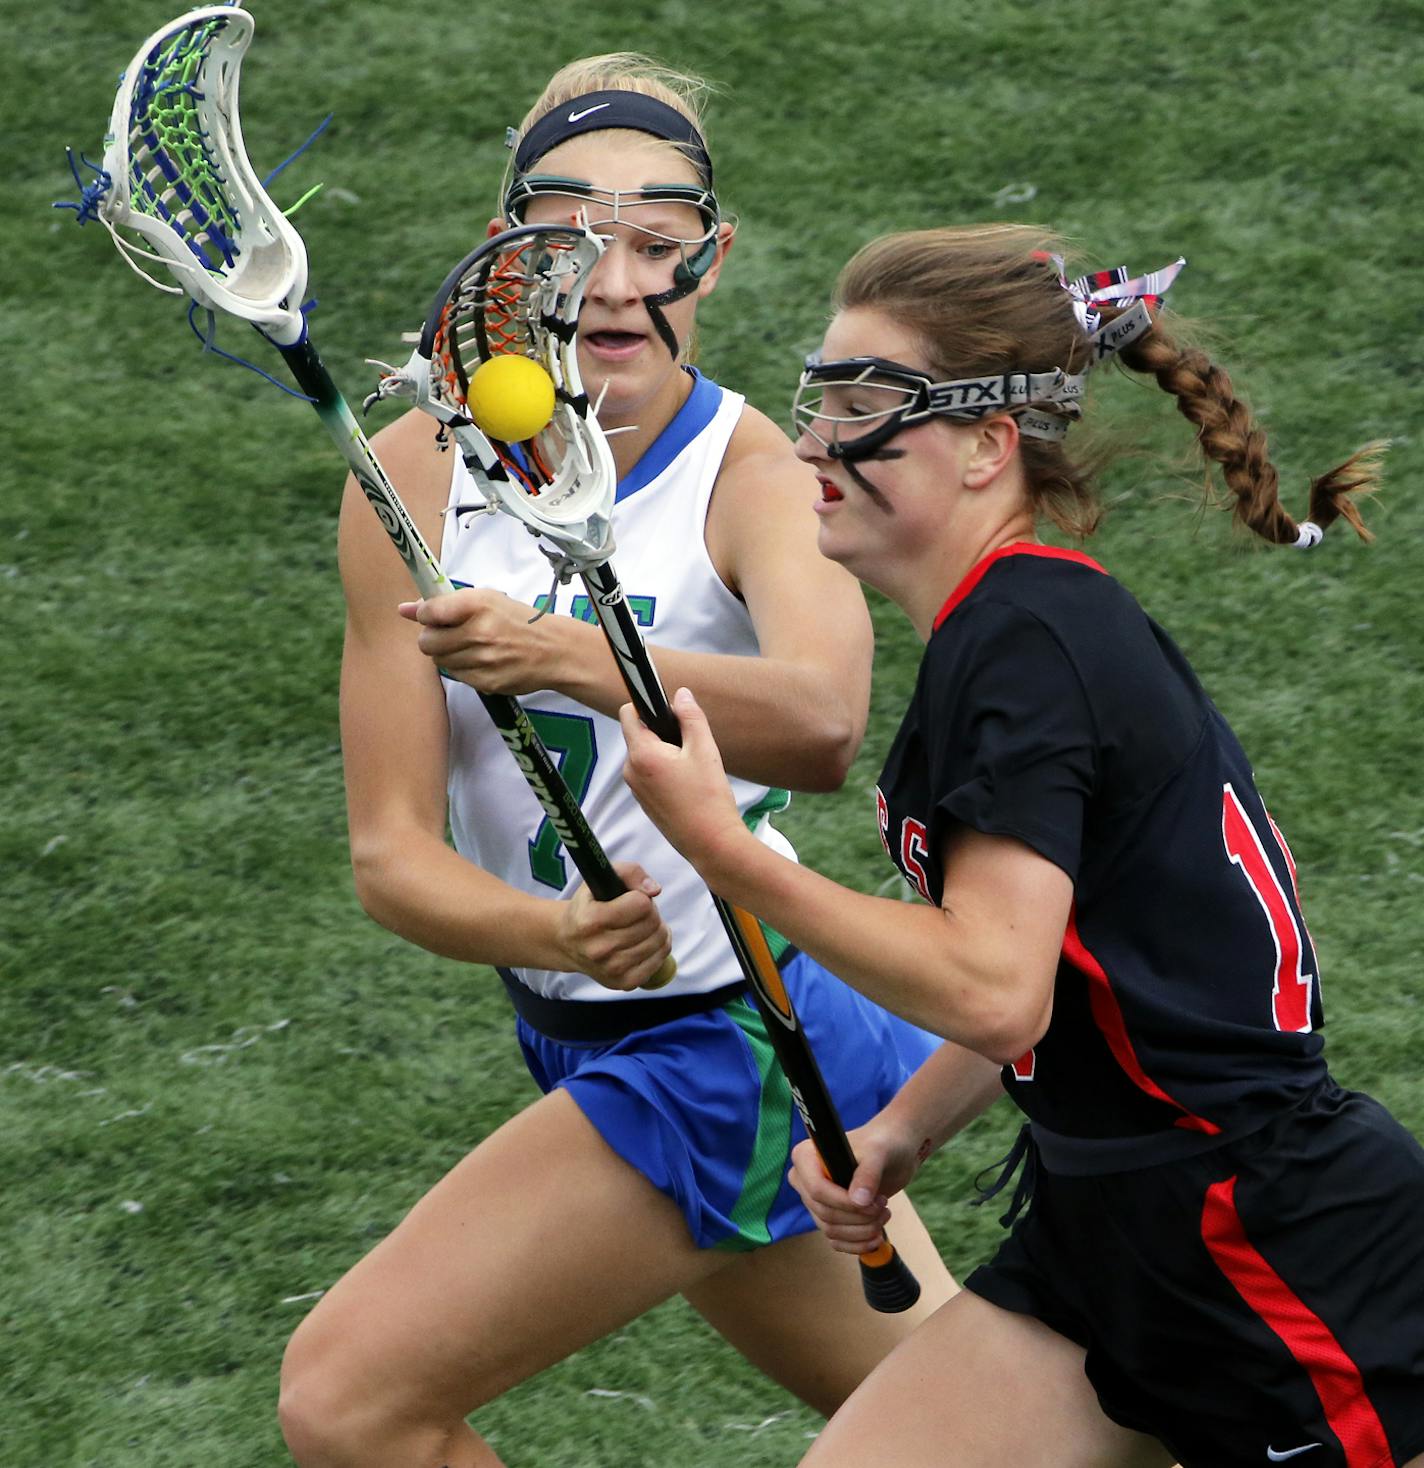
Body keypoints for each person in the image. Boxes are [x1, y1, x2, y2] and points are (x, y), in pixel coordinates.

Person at [621, 224, 1424, 1468]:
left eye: (865, 402)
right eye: (818, 399)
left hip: (1264, 1245)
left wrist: (730, 853)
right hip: (1105, 1229)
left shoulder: (1024, 641)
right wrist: (905, 1127)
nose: (814, 441)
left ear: (990, 445)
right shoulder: (1021, 623)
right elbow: (1057, 971)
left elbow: (994, 989)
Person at [277, 56, 957, 1468]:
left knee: (347, 1400)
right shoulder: (410, 473)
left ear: (710, 258)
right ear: (503, 244)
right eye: (572, 233)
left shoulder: (755, 476)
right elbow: (390, 855)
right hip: (597, 1023)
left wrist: (561, 653)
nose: (611, 278)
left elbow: (824, 721)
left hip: (731, 1036)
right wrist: (557, 933)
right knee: (971, 1439)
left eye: (658, 240)